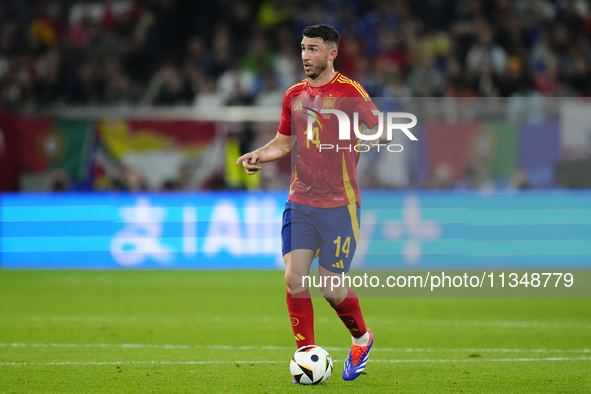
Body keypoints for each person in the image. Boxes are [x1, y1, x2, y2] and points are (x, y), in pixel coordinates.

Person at [236, 24, 382, 382]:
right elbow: (283, 143)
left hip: (340, 204)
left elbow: (380, 129)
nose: (305, 55)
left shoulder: (350, 92)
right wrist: (258, 155)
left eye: (313, 49)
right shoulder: (294, 96)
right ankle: (306, 353)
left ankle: (361, 339)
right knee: (293, 276)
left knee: (331, 287)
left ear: (332, 53)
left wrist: (355, 138)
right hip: (300, 200)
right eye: (303, 48)